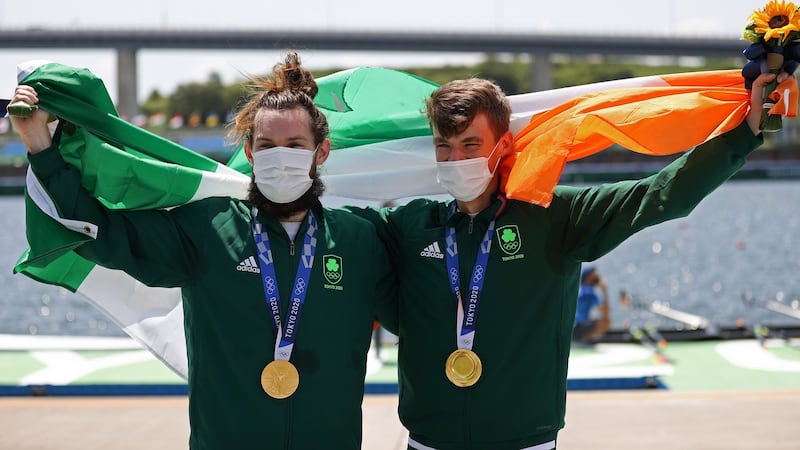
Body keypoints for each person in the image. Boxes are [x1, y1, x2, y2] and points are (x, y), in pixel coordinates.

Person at [347, 68, 788, 450]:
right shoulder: (407, 226)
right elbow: (329, 227)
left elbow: (660, 196)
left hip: (526, 440)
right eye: (444, 147)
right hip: (428, 440)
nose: (456, 159)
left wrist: (745, 132)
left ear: (502, 145)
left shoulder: (555, 216)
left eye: (470, 144)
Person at [9, 52, 394, 449]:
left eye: (295, 145)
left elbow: (427, 310)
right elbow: (106, 232)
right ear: (250, 153)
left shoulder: (360, 238)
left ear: (321, 152)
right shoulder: (208, 226)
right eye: (267, 146)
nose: (281, 157)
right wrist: (40, 145)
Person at [573, 265, 610, 344]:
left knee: (592, 318)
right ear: (589, 277)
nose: (597, 276)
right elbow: (605, 311)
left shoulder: (582, 289)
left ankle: (583, 338)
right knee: (605, 322)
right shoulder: (589, 292)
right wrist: (604, 290)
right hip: (577, 327)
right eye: (594, 274)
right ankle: (583, 339)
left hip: (574, 326)